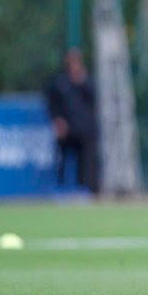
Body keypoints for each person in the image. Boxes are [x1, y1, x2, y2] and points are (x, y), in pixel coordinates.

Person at [45, 48, 99, 194]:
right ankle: (61, 188)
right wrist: (57, 120)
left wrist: (82, 80)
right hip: (66, 130)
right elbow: (52, 104)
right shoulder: (60, 82)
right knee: (62, 161)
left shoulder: (87, 80)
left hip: (84, 130)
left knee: (86, 161)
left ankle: (86, 190)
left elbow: (94, 98)